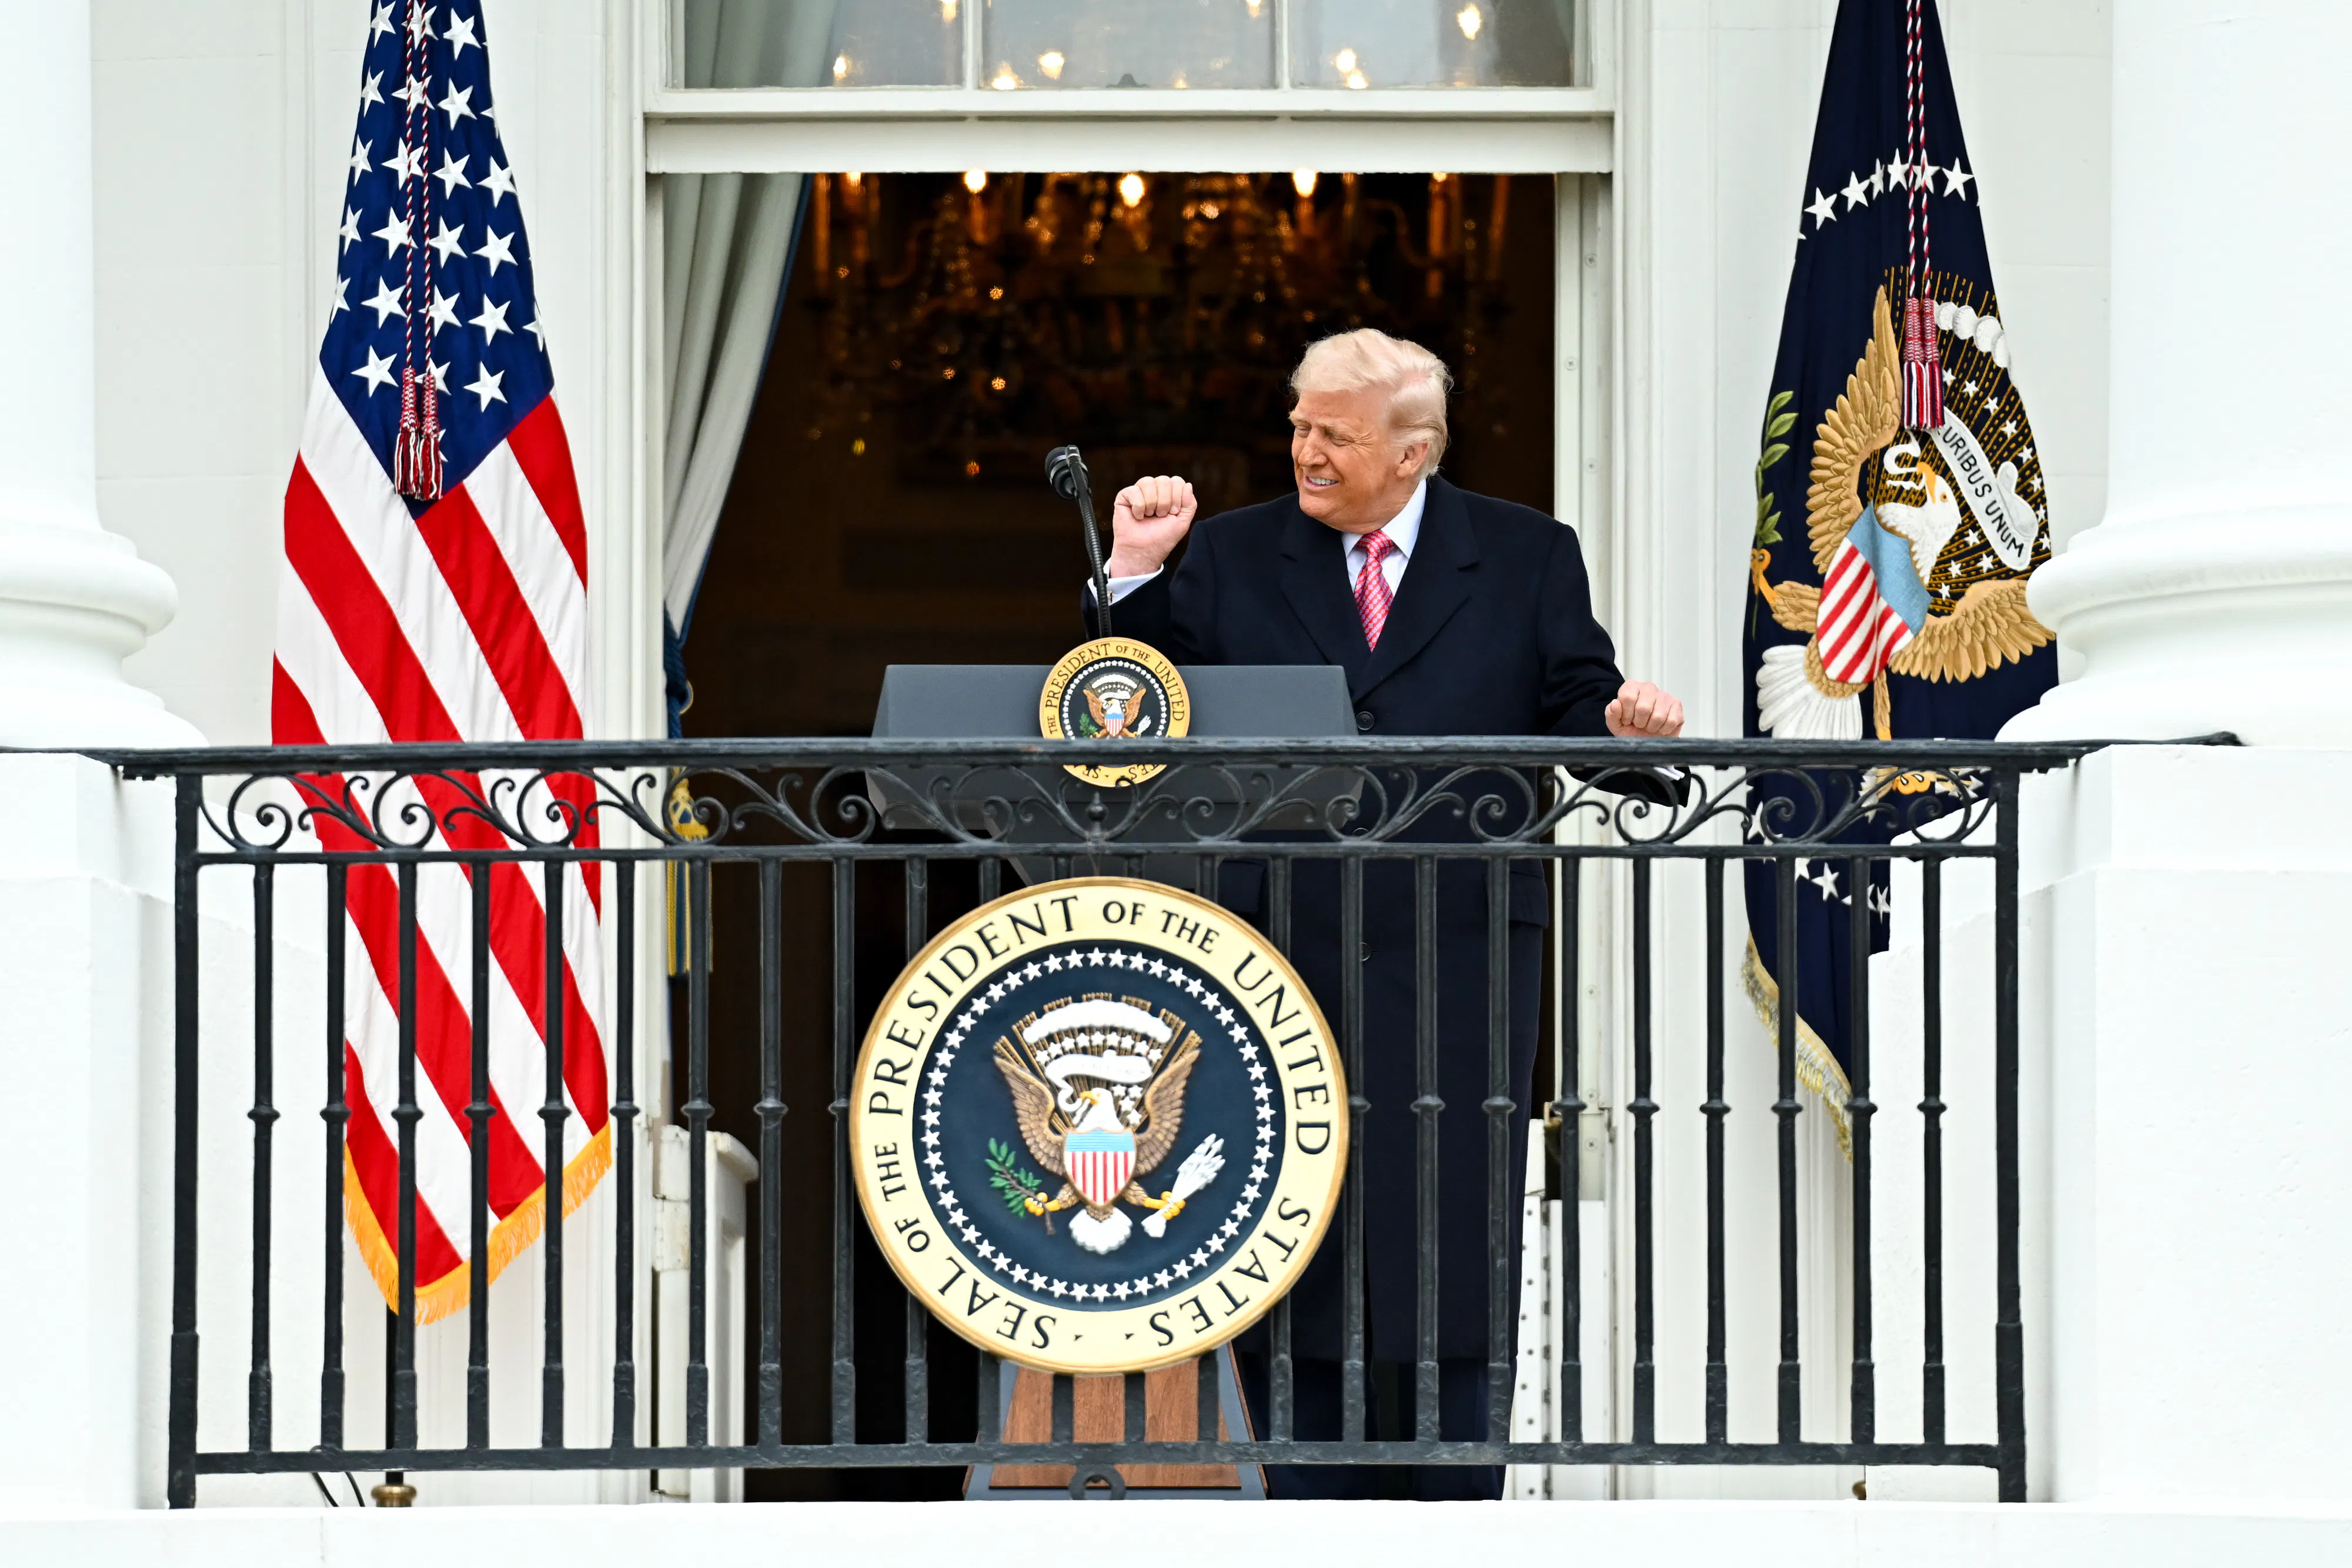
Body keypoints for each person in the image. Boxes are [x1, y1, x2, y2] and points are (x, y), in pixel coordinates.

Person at [1082, 328, 1684, 1499]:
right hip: (1273, 961)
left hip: (1455, 957)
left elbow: (1569, 700)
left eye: (1331, 434)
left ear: (1412, 452)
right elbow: (1132, 713)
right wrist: (1136, 573)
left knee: (1450, 1237)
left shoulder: (1521, 555)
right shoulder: (1235, 554)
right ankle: (1295, 1499)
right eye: (1298, 422)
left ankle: (1452, 1498)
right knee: (1286, 1225)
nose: (1301, 448)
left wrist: (1621, 736)